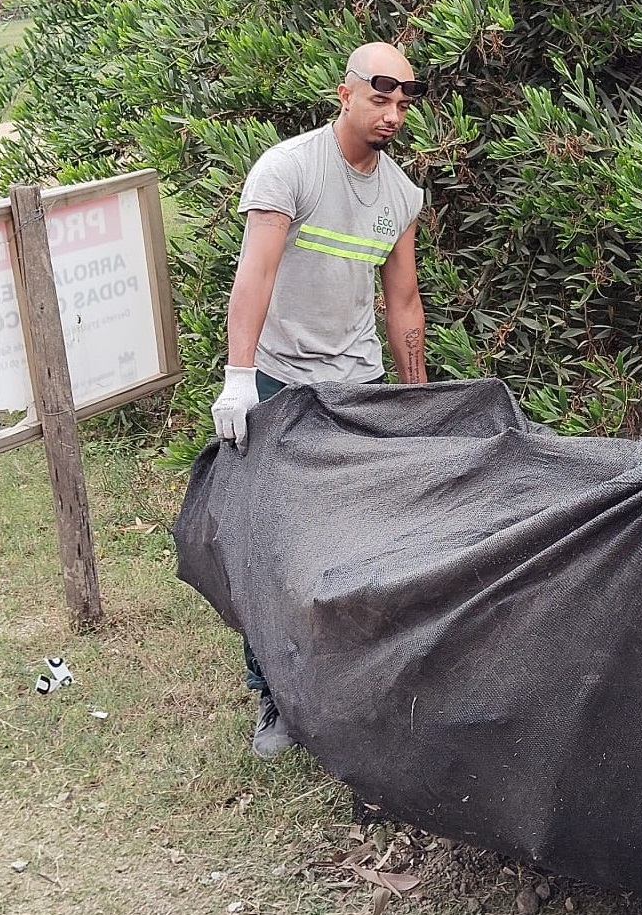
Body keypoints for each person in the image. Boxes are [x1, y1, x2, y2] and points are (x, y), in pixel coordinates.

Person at [210, 41, 429, 757]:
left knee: (356, 544)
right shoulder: (289, 167)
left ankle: (343, 691)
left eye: (403, 102)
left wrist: (417, 401)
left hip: (354, 385)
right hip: (276, 380)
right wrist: (240, 377)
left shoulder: (400, 195)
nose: (392, 113)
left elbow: (403, 303)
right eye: (379, 96)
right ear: (345, 93)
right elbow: (256, 274)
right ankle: (272, 697)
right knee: (267, 543)